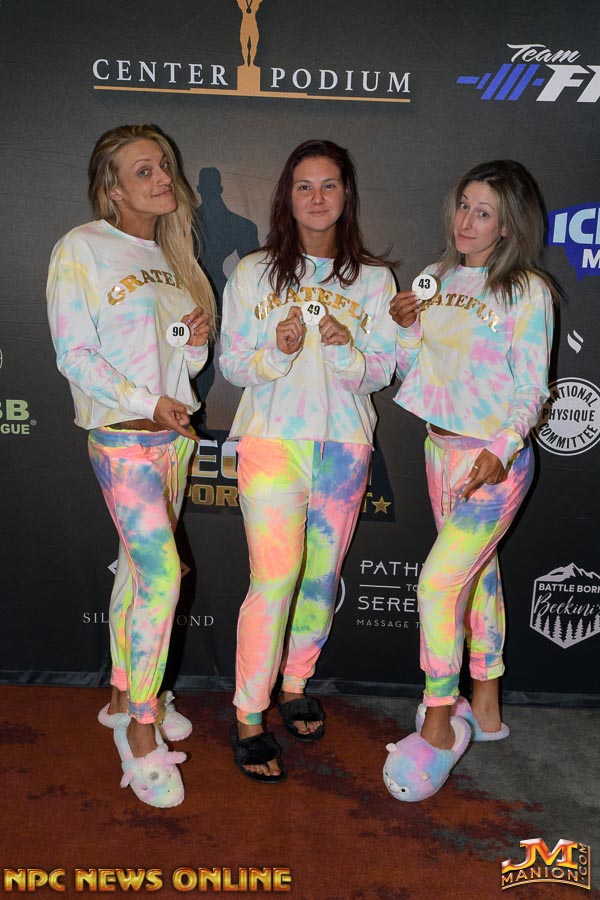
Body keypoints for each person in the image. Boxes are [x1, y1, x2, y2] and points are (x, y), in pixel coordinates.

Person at [47, 124, 216, 808]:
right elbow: (75, 354)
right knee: (162, 576)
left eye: (164, 166)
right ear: (111, 188)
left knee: (137, 571)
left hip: (171, 441)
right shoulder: (82, 247)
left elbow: (179, 359)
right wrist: (149, 401)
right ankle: (142, 734)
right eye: (143, 170)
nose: (162, 178)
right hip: (123, 439)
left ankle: (122, 696)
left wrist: (193, 343)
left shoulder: (174, 258)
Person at [219, 139, 397, 782]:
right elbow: (232, 364)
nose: (317, 198)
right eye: (304, 186)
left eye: (328, 185)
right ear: (286, 197)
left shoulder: (374, 280)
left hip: (344, 446)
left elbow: (381, 372)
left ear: (346, 194)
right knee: (273, 581)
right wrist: (277, 350)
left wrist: (346, 349)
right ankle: (249, 714)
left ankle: (295, 684)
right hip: (272, 442)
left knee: (321, 580)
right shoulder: (254, 272)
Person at [385, 160, 558, 802]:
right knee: (476, 577)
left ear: (508, 225)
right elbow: (410, 367)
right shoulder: (436, 277)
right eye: (463, 204)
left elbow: (532, 388)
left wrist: (503, 449)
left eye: (484, 212)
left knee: (437, 583)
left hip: (494, 465)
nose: (466, 220)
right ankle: (485, 706)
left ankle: (437, 720)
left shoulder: (527, 291)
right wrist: (407, 326)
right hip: (440, 452)